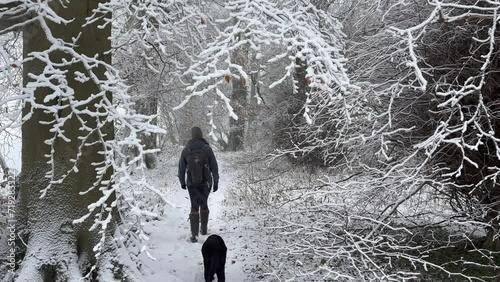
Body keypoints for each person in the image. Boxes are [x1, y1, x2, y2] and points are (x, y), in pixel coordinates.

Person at [178, 127, 219, 243]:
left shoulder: (186, 150)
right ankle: (204, 229)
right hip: (206, 183)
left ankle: (194, 235)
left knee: (194, 206)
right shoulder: (207, 149)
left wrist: (182, 182)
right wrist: (216, 181)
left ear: (192, 136)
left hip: (192, 183)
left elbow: (181, 168)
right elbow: (214, 167)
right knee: (204, 203)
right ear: (201, 135)